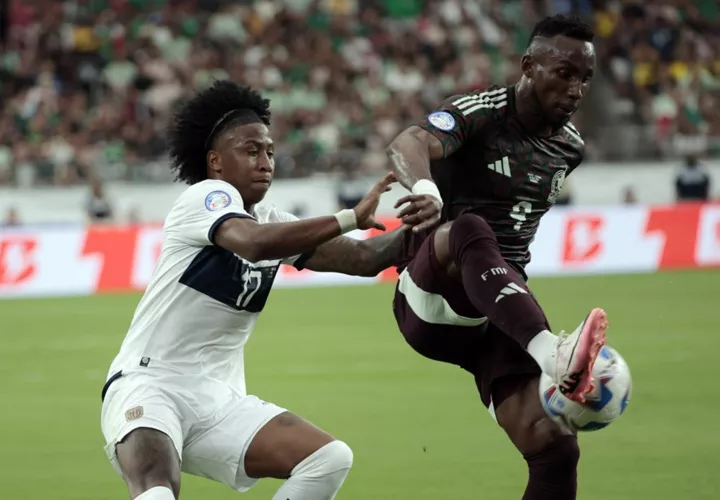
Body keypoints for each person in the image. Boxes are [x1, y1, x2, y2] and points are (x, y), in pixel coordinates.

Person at [100, 81, 405, 500]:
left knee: (329, 458)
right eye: (251, 150)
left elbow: (365, 260)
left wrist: (432, 226)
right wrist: (349, 216)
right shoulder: (206, 197)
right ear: (216, 162)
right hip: (150, 386)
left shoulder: (268, 217)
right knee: (157, 490)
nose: (265, 162)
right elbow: (254, 243)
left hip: (218, 402)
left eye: (270, 151)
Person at [387, 15, 605, 499]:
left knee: (555, 448)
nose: (575, 89)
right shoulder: (483, 111)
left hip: (498, 311)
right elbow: (409, 141)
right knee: (469, 228)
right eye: (564, 73)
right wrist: (426, 189)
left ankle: (549, 354)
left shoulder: (569, 148)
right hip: (433, 294)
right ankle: (553, 353)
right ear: (529, 66)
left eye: (585, 78)